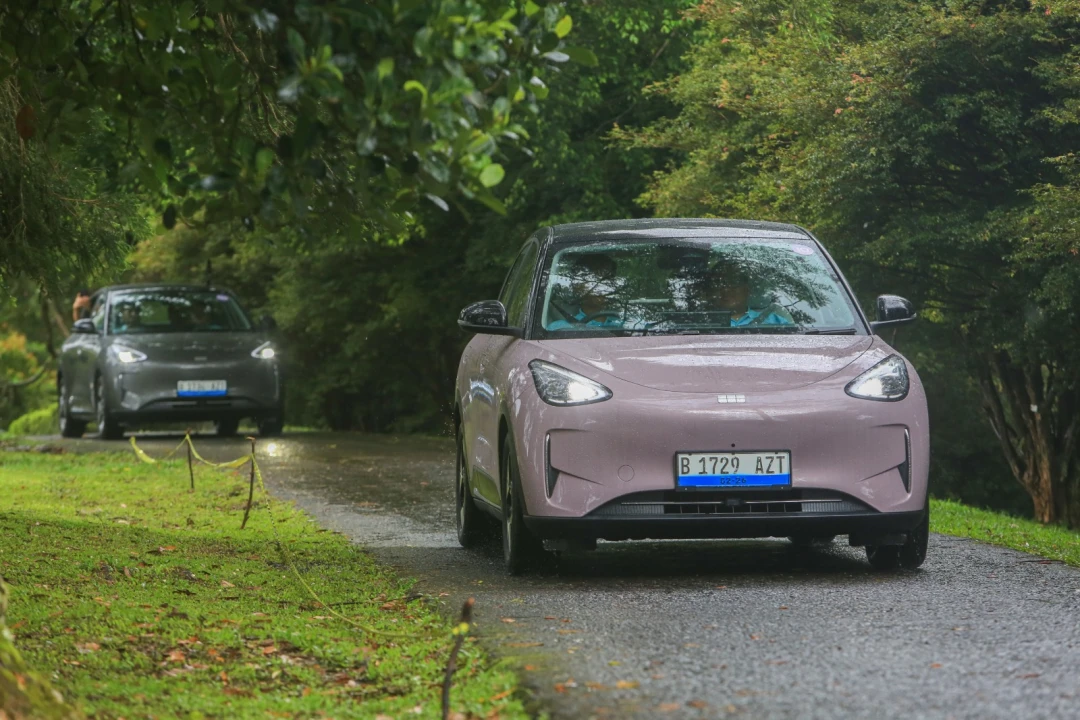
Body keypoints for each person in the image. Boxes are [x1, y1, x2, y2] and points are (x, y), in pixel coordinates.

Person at [545, 253, 623, 330]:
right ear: (577, 286)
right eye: (594, 279)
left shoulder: (624, 326)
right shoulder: (561, 328)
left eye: (607, 279)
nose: (601, 285)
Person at [704, 266, 794, 327]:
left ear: (746, 290)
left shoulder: (776, 321)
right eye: (719, 284)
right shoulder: (702, 322)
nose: (726, 289)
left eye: (733, 283)